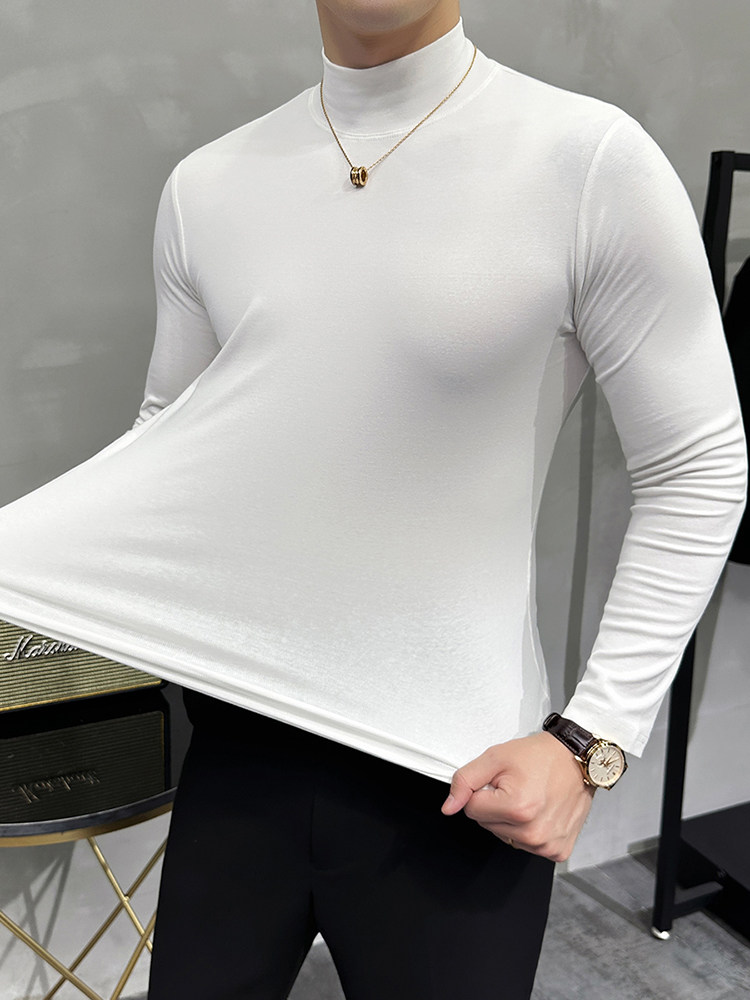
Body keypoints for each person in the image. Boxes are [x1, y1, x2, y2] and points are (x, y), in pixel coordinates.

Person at [0, 1, 744, 997]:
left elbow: (699, 464)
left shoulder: (588, 162)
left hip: (456, 776)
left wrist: (592, 740)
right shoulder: (208, 186)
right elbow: (172, 450)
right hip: (239, 748)